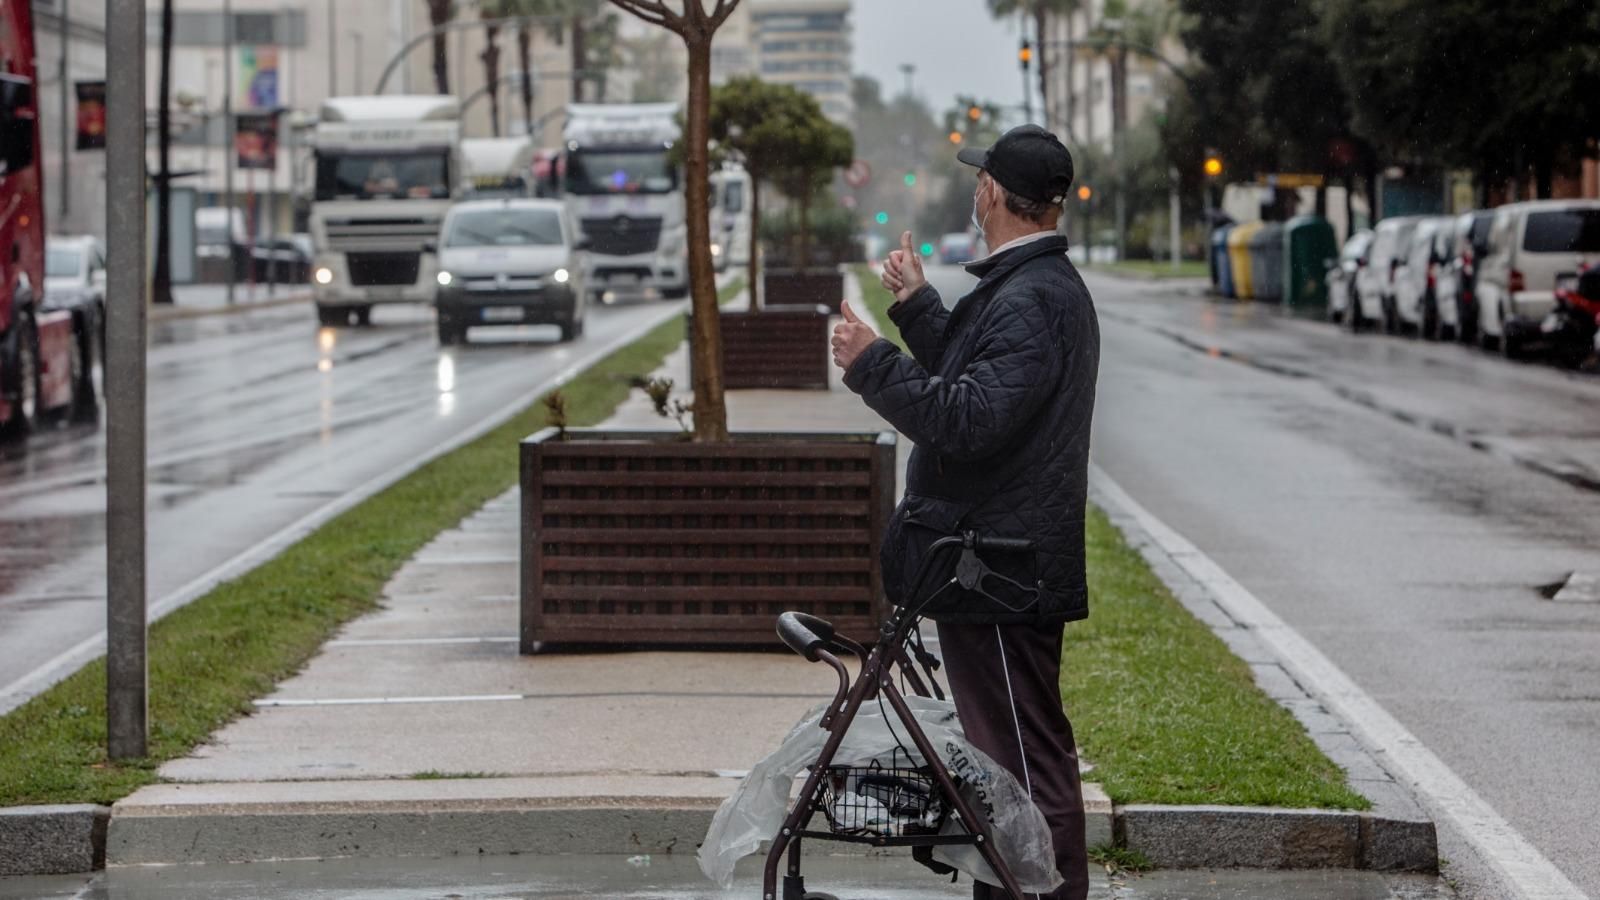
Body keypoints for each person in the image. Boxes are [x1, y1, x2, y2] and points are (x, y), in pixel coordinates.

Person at [830, 124, 1099, 900]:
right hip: (993, 562)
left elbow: (970, 420)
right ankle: (1016, 885)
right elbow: (981, 378)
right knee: (1006, 751)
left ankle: (1042, 889)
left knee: (1021, 754)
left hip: (1002, 567)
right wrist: (916, 307)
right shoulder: (1027, 288)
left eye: (978, 179)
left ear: (989, 194)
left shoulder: (1035, 295)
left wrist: (871, 362)